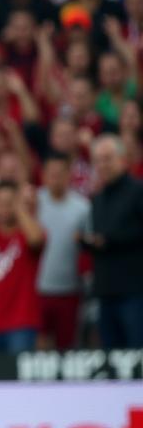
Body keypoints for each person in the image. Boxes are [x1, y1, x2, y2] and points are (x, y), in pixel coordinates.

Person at [0, 180, 46, 355]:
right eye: (0, 203)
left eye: (9, 203)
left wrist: (19, 208)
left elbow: (36, 239)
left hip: (22, 322)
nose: (5, 208)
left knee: (19, 381)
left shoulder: (26, 233)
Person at [83, 135, 143, 348]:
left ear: (123, 159)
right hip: (106, 291)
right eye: (97, 160)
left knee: (137, 357)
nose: (102, 165)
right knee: (111, 361)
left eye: (107, 158)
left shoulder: (138, 191)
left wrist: (109, 241)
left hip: (135, 291)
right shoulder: (98, 198)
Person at [35, 153, 90, 351]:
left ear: (69, 175)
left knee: (67, 346)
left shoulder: (82, 207)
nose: (56, 178)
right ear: (44, 175)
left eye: (60, 173)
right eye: (52, 173)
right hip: (37, 289)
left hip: (70, 289)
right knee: (38, 348)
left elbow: (88, 247)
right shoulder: (34, 202)